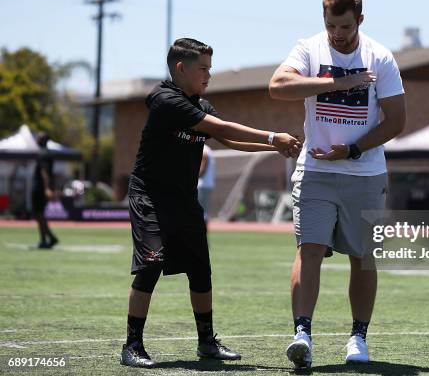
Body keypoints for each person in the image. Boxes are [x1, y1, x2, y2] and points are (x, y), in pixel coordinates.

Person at [120, 38, 301, 368]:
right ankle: (132, 345)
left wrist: (272, 149)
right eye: (203, 68)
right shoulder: (165, 100)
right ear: (181, 68)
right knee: (151, 263)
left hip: (184, 199)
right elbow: (221, 127)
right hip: (149, 196)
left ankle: (207, 343)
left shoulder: (200, 105)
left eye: (209, 69)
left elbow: (229, 139)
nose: (208, 75)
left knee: (201, 270)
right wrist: (274, 137)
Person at [269, 0, 406, 368]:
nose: (337, 33)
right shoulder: (310, 48)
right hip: (314, 172)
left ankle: (358, 339)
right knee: (309, 250)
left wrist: (353, 149)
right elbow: (277, 86)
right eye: (331, 25)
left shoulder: (380, 57)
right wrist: (337, 82)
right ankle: (302, 334)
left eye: (344, 26)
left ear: (359, 20)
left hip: (364, 173)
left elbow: (397, 120)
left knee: (363, 258)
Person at [31, 132, 59, 249]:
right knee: (39, 214)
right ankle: (46, 239)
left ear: (42, 140)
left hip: (40, 188)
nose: (36, 138)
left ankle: (49, 238)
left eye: (38, 137)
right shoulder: (49, 154)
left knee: (38, 214)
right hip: (43, 187)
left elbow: (44, 172)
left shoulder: (42, 154)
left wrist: (47, 188)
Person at [197, 144, 215, 222]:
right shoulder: (208, 149)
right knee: (203, 212)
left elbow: (202, 169)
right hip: (206, 185)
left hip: (202, 185)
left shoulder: (204, 149)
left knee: (201, 212)